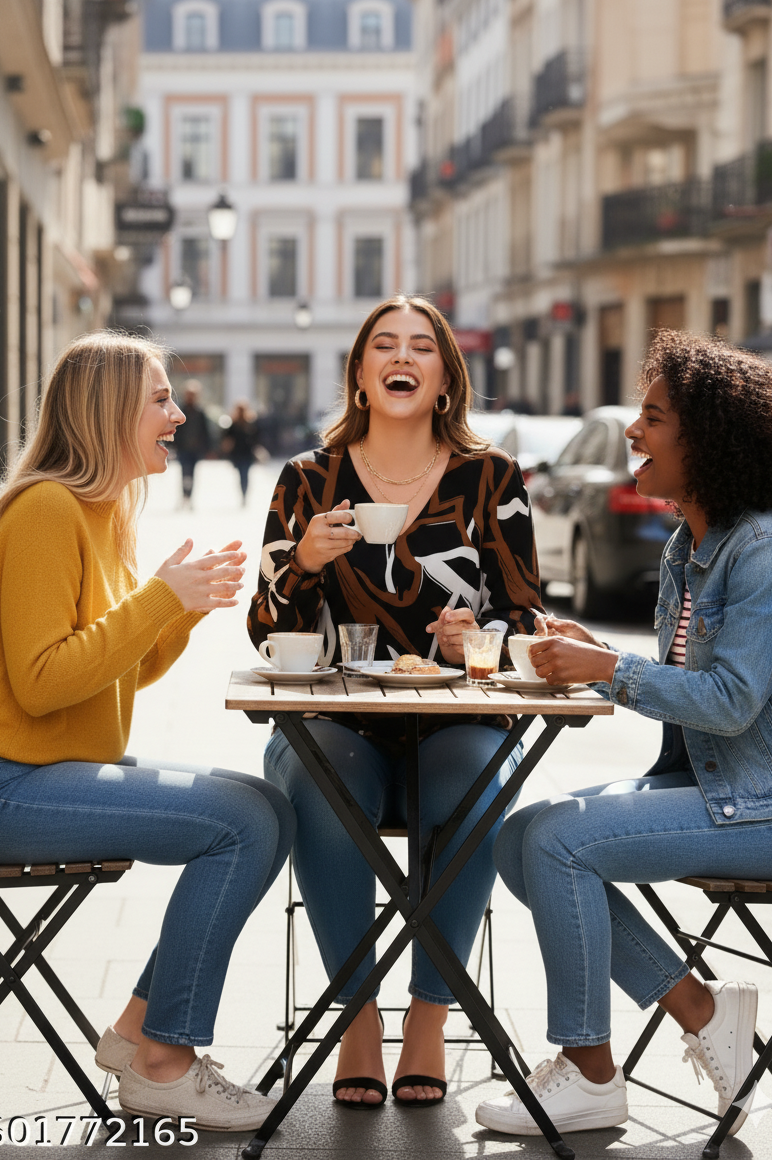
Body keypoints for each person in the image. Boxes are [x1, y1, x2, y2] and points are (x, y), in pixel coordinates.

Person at [0, 332, 296, 1132]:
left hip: (38, 770)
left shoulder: (100, 514)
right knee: (243, 822)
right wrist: (158, 600)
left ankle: (140, 1030)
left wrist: (178, 611)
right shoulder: (46, 510)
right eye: (160, 400)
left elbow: (111, 675)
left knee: (270, 809)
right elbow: (42, 682)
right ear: (108, 413)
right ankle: (163, 1064)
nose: (179, 415)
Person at [475, 330, 772, 1138]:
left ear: (710, 440)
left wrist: (607, 668)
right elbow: (689, 687)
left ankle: (591, 1072)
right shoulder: (691, 546)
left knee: (556, 841)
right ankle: (701, 1011)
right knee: (515, 840)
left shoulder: (768, 550)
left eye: (653, 418)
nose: (632, 430)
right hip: (717, 790)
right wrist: (591, 653)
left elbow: (730, 703)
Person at [248, 294, 543, 1109]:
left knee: (476, 783)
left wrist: (476, 637)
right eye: (384, 344)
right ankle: (357, 1017)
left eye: (421, 345)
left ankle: (428, 1013)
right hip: (337, 721)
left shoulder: (493, 478)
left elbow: (526, 617)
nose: (402, 356)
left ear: (445, 378)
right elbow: (266, 632)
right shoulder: (308, 480)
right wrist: (304, 563)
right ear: (360, 374)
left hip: (459, 719)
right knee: (323, 779)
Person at [174, 378, 212, 506]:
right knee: (184, 472)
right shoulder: (180, 410)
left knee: (192, 473)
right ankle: (184, 495)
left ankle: (189, 496)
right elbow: (175, 430)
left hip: (195, 449)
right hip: (183, 448)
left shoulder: (200, 412)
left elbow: (205, 431)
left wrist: (207, 448)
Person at [221, 400, 259, 505]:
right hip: (237, 454)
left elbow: (256, 438)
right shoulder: (233, 425)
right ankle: (243, 493)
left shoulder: (250, 424)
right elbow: (227, 437)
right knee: (241, 475)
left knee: (245, 474)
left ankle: (244, 494)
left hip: (247, 453)